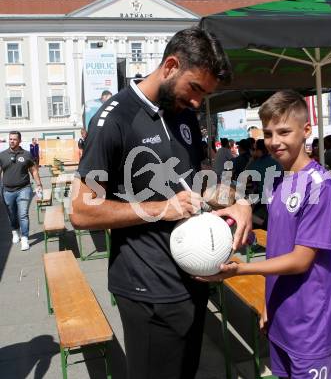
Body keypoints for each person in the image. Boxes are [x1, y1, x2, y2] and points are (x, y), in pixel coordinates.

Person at [70, 27, 252, 379]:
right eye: (195, 88)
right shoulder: (114, 119)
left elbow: (199, 180)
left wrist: (238, 201)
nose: (199, 102)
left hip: (194, 275)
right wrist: (161, 208)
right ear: (170, 66)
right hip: (146, 287)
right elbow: (81, 210)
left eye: (206, 93)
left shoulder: (183, 112)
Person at [197, 90, 331, 379]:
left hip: (312, 325)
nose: (274, 141)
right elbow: (278, 247)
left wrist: (241, 269)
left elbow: (301, 260)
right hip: (282, 316)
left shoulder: (320, 186)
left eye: (284, 132)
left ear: (306, 131)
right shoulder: (281, 183)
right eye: (268, 133)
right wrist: (269, 304)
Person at [0, 131, 43, 251]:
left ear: (19, 140)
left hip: (24, 188)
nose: (12, 141)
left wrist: (38, 184)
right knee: (12, 214)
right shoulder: (2, 155)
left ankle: (24, 238)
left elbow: (33, 170)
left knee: (23, 214)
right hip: (7, 190)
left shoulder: (27, 154)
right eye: (10, 139)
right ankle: (15, 231)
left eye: (14, 139)